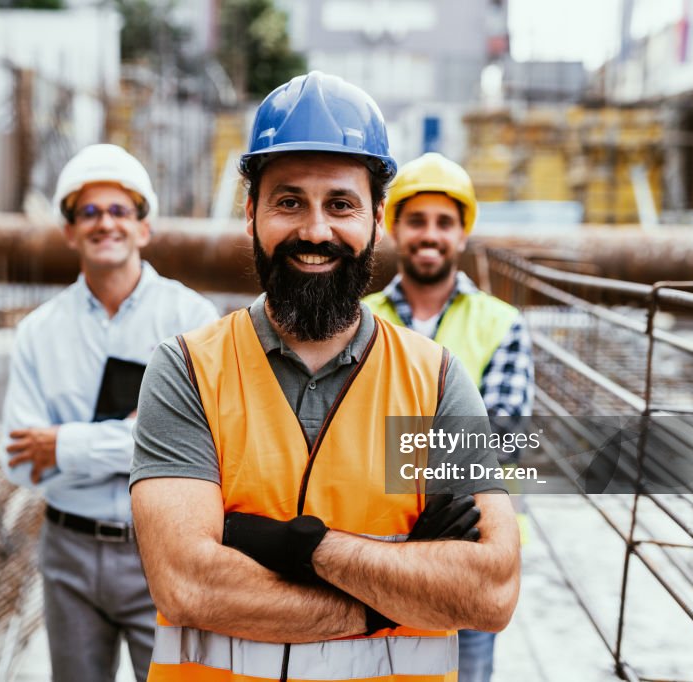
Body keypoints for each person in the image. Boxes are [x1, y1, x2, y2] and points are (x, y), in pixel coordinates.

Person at [130, 71, 520, 682]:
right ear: (251, 210)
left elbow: (490, 592)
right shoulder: (187, 370)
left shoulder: (435, 379)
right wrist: (395, 590)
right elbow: (188, 584)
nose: (315, 231)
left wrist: (307, 548)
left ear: (376, 218)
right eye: (289, 202)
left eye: (340, 204)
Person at [0, 144, 219, 682]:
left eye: (120, 210)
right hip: (68, 554)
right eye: (89, 213)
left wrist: (66, 445)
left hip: (163, 547)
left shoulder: (191, 319)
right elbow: (19, 460)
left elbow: (202, 444)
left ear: (144, 228)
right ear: (70, 231)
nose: (105, 224)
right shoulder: (38, 332)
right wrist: (137, 439)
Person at [364, 152, 535, 682]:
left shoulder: (501, 324)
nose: (429, 235)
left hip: (472, 551)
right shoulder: (360, 318)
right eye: (416, 220)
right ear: (394, 229)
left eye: (444, 222)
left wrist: (384, 461)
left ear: (462, 235)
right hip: (374, 550)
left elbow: (500, 441)